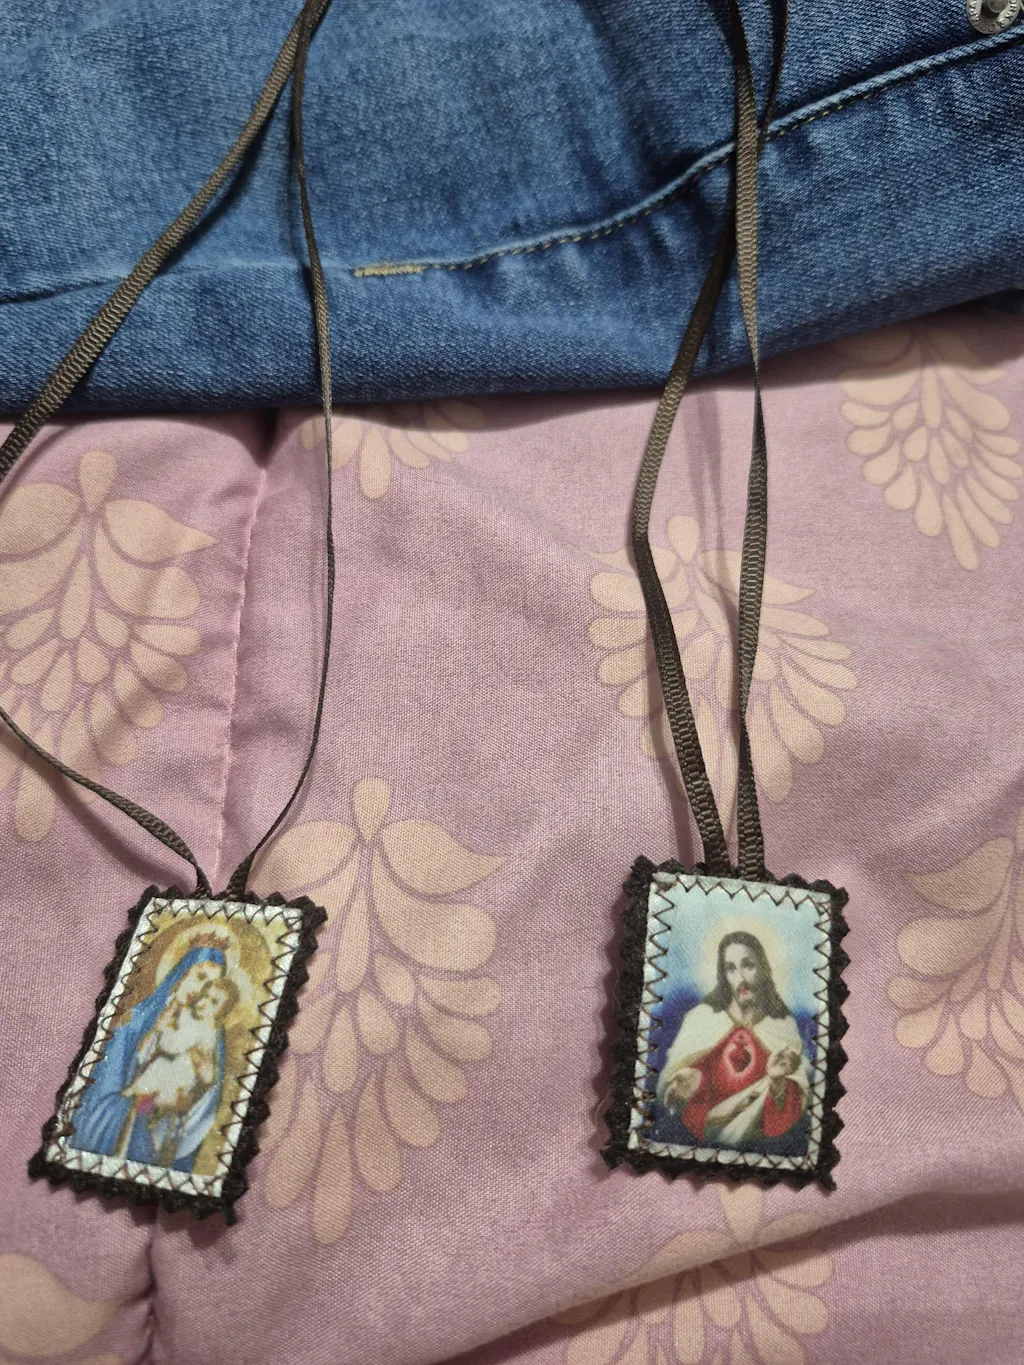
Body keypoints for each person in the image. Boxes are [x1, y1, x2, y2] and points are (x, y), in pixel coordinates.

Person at [69, 941, 230, 1167]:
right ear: (183, 973)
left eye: (210, 985)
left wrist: (199, 1084)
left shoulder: (208, 1033)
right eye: (200, 976)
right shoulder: (137, 1019)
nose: (201, 990)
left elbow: (208, 1092)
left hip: (162, 1126)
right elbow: (106, 1079)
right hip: (123, 1119)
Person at [656, 931, 811, 1149]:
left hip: (758, 1147)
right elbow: (670, 1091)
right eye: (730, 968)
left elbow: (795, 1104)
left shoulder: (783, 1027)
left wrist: (777, 1082)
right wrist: (689, 1083)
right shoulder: (702, 1019)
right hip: (699, 1144)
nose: (740, 978)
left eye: (748, 965)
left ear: (763, 969)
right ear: (723, 975)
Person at [123, 976, 238, 1168]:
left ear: (221, 1012)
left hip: (180, 1082)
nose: (204, 1002)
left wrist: (168, 1032)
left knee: (158, 1090)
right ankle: (141, 1128)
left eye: (214, 1002)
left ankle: (146, 1135)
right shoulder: (188, 1017)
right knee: (153, 1083)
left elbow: (178, 1049)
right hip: (167, 1071)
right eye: (205, 996)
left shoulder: (209, 1032)